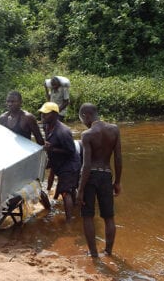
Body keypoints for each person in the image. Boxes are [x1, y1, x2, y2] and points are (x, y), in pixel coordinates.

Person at [77, 103, 122, 257]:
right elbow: (118, 158)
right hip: (106, 174)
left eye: (82, 119)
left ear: (86, 115)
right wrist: (117, 182)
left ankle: (93, 253)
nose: (83, 122)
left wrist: (81, 189)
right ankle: (108, 252)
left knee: (87, 215)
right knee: (109, 217)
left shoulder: (87, 135)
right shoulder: (114, 130)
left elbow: (86, 165)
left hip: (91, 177)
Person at [38, 102, 80, 222]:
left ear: (55, 115)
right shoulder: (46, 126)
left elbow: (71, 151)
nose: (42, 116)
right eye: (42, 113)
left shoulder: (63, 131)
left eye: (46, 114)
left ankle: (69, 222)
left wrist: (52, 149)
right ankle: (75, 209)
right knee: (69, 189)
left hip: (69, 164)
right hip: (58, 162)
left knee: (65, 192)